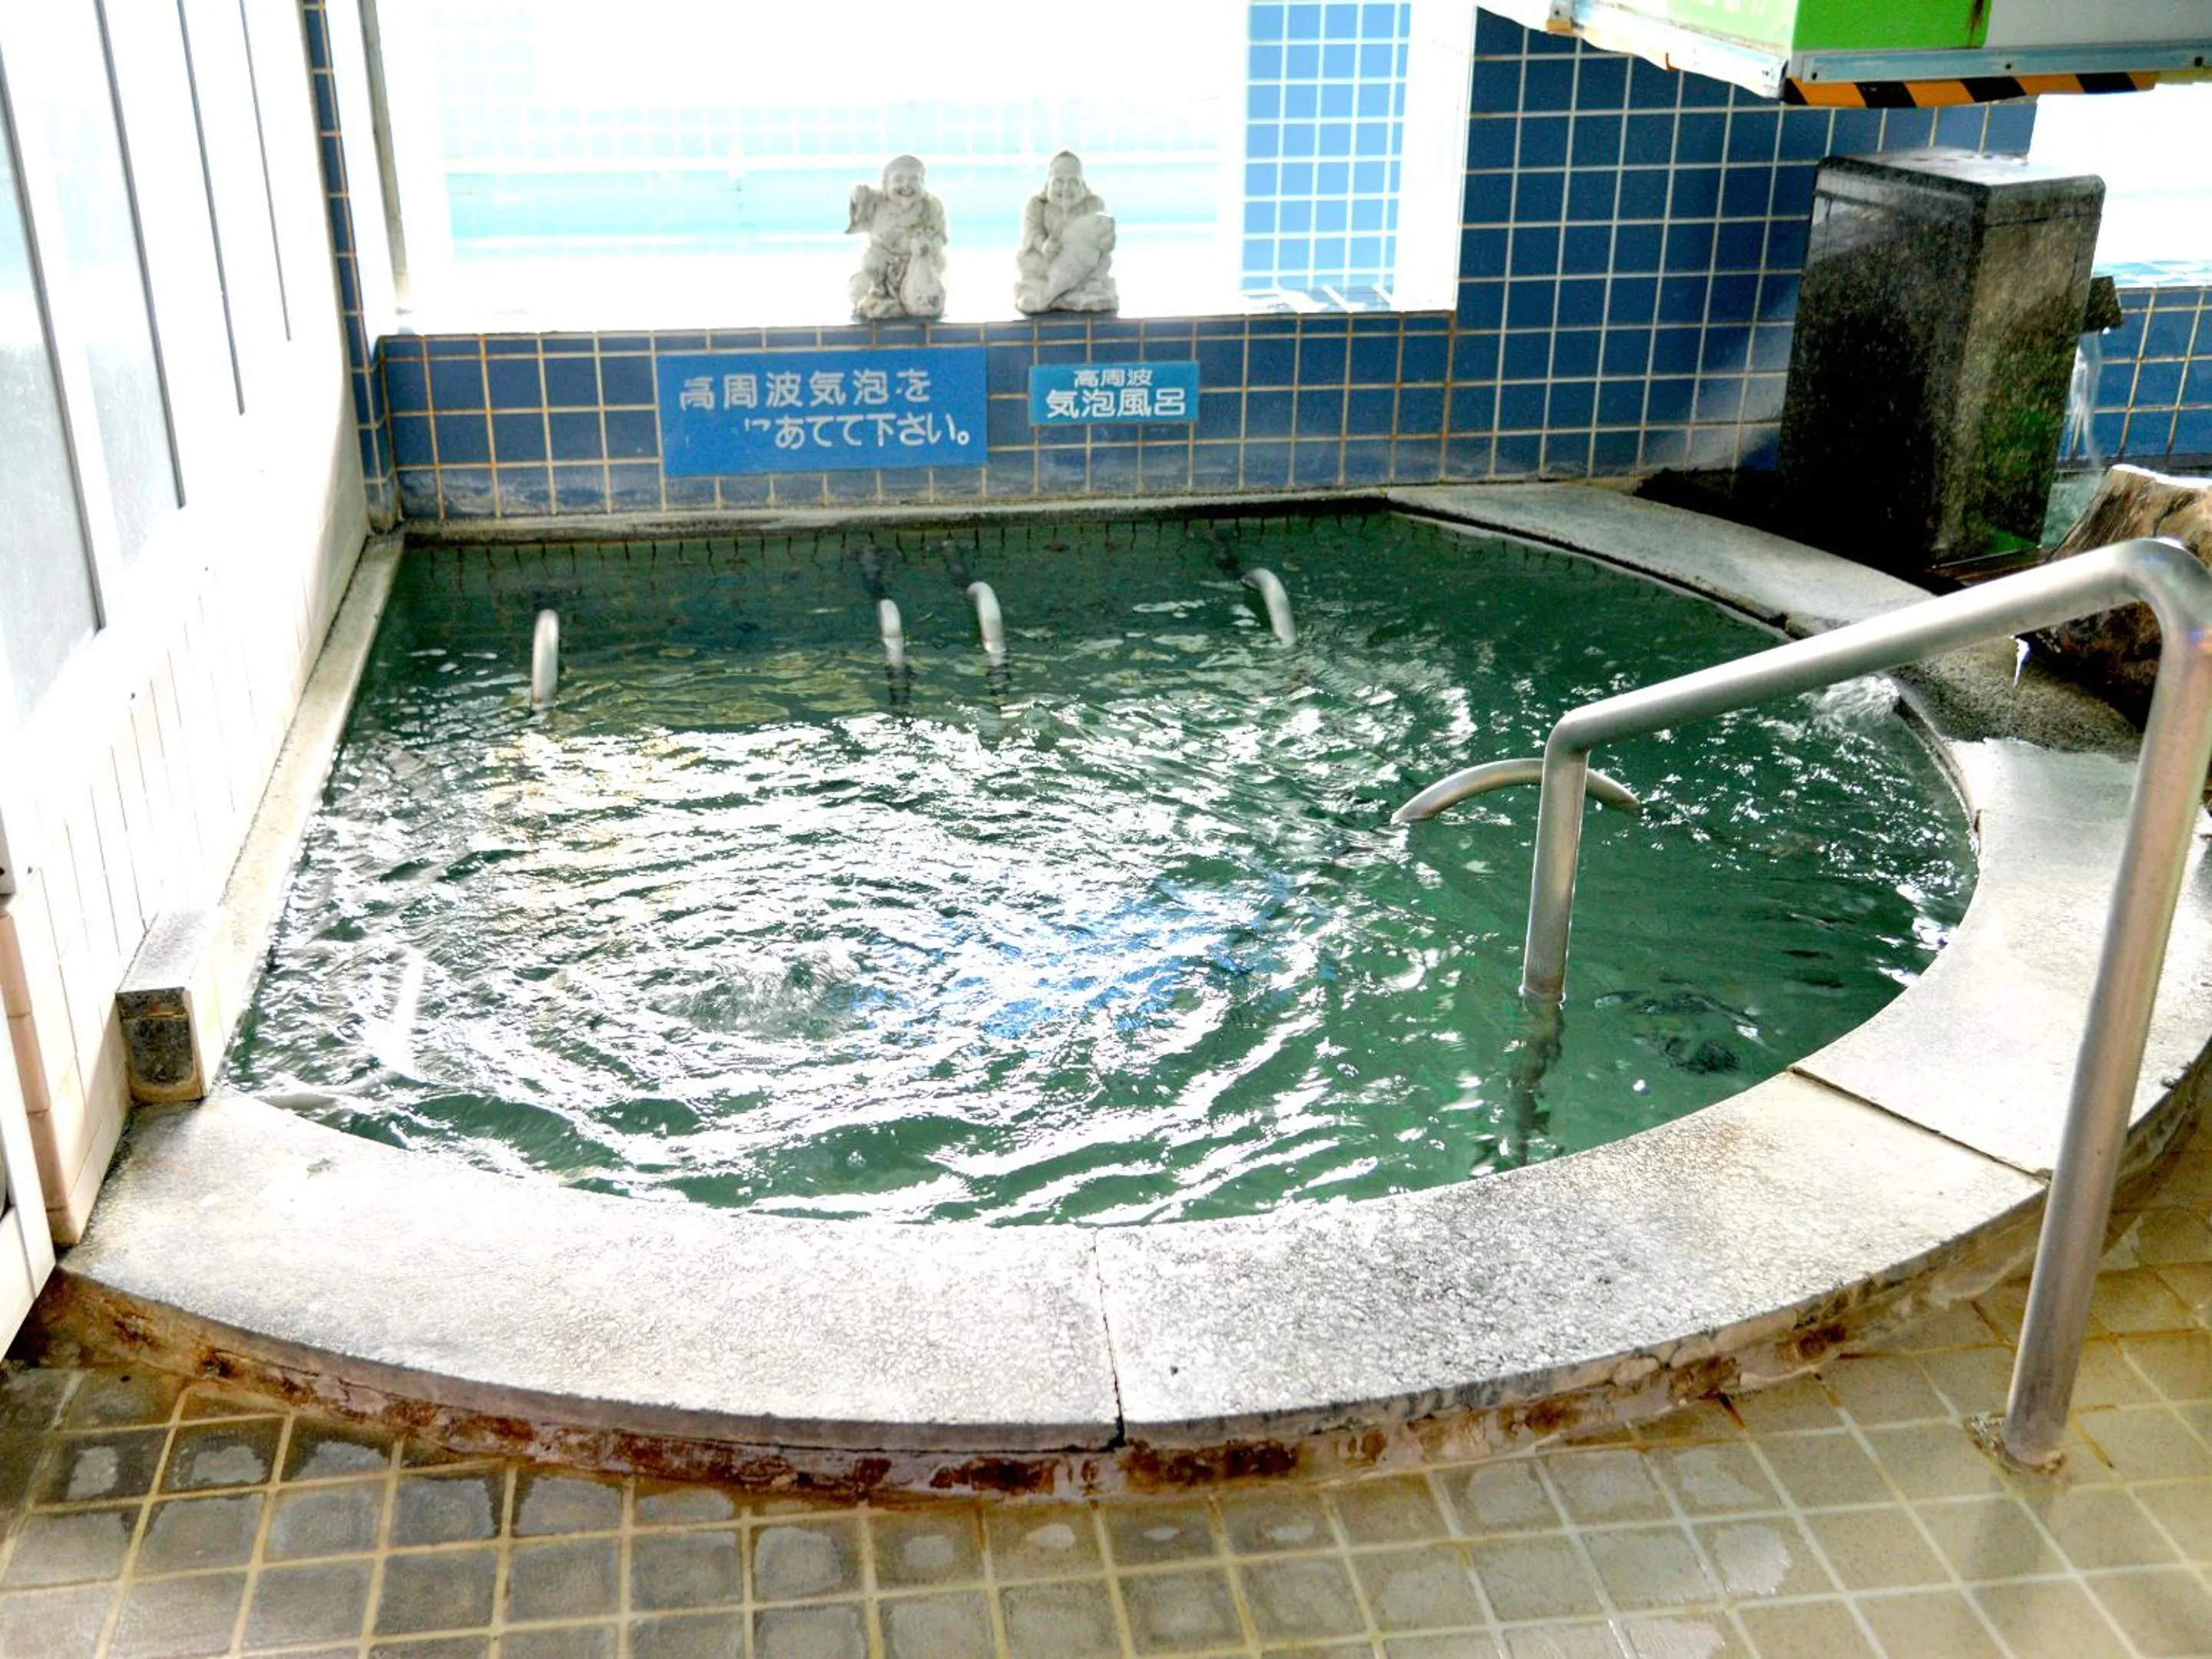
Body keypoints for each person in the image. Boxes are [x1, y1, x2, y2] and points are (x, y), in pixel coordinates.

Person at [1015, 151, 1117, 314]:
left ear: (1083, 184)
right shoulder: (1036, 205)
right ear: (1048, 183)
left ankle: (1083, 287)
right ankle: (1049, 293)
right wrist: (1043, 246)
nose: (1065, 188)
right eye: (1059, 182)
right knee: (1029, 261)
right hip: (1049, 262)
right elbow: (1031, 232)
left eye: (1073, 182)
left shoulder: (1094, 205)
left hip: (1084, 263)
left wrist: (1106, 244)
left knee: (1103, 261)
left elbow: (1107, 238)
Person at [847, 155, 947, 319]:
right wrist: (859, 198)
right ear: (886, 185)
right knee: (862, 284)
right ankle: (880, 295)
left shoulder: (931, 207)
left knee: (925, 298)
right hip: (883, 264)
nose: (906, 185)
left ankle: (913, 299)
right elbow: (860, 220)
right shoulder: (878, 203)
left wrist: (927, 247)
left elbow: (940, 237)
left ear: (923, 183)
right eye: (898, 180)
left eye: (913, 180)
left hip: (917, 263)